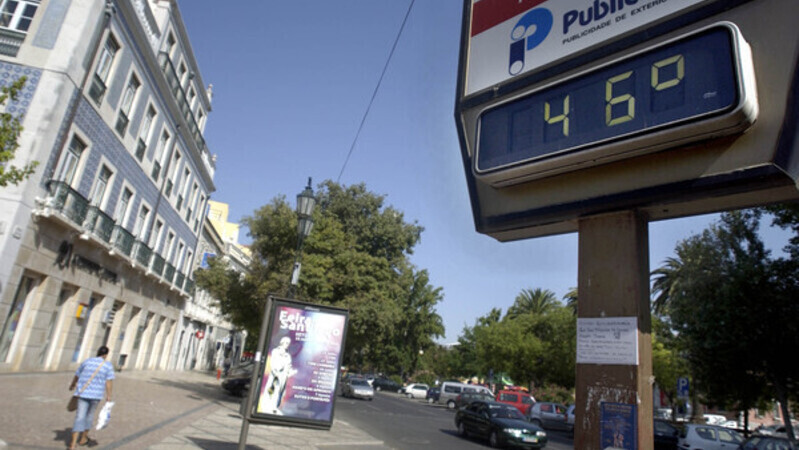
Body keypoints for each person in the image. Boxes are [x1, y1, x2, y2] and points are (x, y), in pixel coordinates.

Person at [68, 346, 114, 450]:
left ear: (97, 352)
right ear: (106, 355)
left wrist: (72, 385)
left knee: (79, 417)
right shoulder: (107, 365)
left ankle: (72, 445)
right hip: (96, 395)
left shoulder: (87, 361)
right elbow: (109, 382)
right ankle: (83, 439)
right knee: (89, 416)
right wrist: (109, 396)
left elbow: (77, 374)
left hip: (82, 393)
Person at [260, 336, 296, 414]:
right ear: (282, 342)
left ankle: (273, 407)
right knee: (270, 390)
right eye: (286, 342)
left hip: (282, 377)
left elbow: (288, 367)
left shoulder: (288, 356)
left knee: (277, 392)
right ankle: (266, 405)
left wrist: (291, 372)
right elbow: (273, 362)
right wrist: (276, 371)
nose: (287, 344)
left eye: (288, 343)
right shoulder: (275, 351)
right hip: (275, 375)